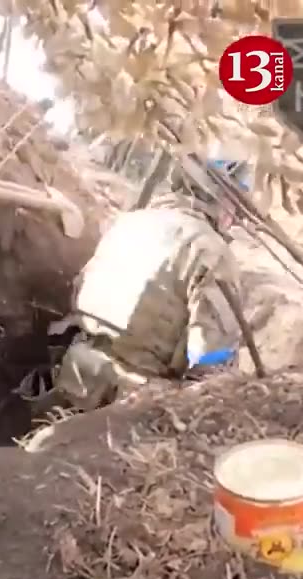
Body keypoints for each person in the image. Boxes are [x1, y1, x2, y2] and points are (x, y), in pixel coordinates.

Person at [50, 156, 247, 410]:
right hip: (132, 403)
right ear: (222, 202)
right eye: (235, 206)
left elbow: (80, 289)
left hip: (74, 372)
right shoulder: (211, 251)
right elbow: (211, 363)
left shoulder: (129, 221)